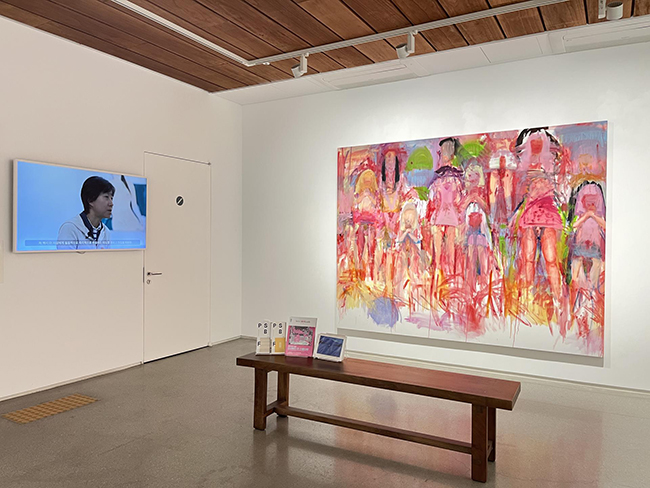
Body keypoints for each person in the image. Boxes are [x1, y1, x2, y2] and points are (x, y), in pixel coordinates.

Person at [57, 176, 114, 250]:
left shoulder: (106, 232)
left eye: (111, 198)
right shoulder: (70, 228)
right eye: (106, 197)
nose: (111, 203)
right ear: (90, 200)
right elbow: (65, 257)